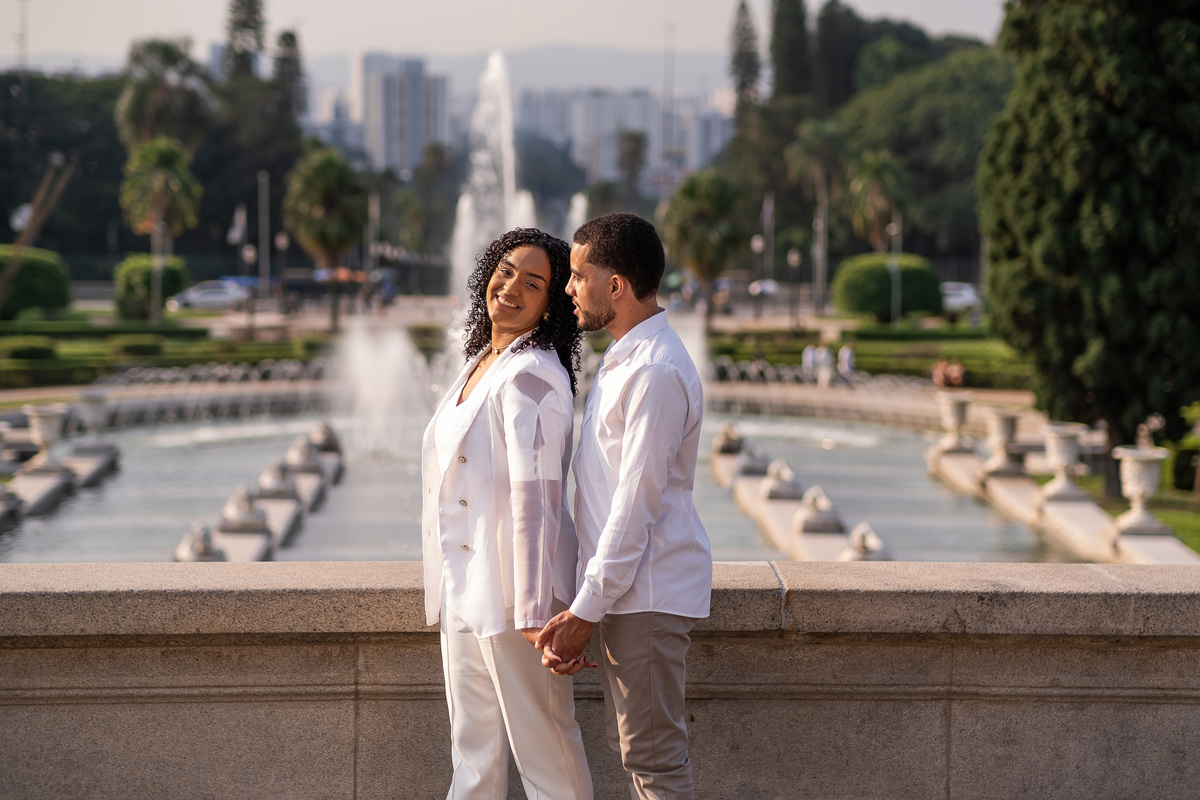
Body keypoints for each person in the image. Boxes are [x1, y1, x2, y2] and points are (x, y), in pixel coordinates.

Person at [537, 212, 713, 799]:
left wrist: (585, 611)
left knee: (656, 764)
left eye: (577, 275)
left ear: (616, 286)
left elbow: (633, 507)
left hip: (648, 593)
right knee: (644, 759)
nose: (568, 288)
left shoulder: (655, 371)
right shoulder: (628, 359)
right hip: (630, 593)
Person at [421, 227, 592, 800]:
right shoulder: (481, 363)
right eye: (507, 269)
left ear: (551, 305)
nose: (512, 287)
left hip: (519, 601)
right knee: (473, 760)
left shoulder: (533, 374)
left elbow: (536, 497)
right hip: (466, 594)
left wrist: (534, 608)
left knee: (548, 759)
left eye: (534, 282)